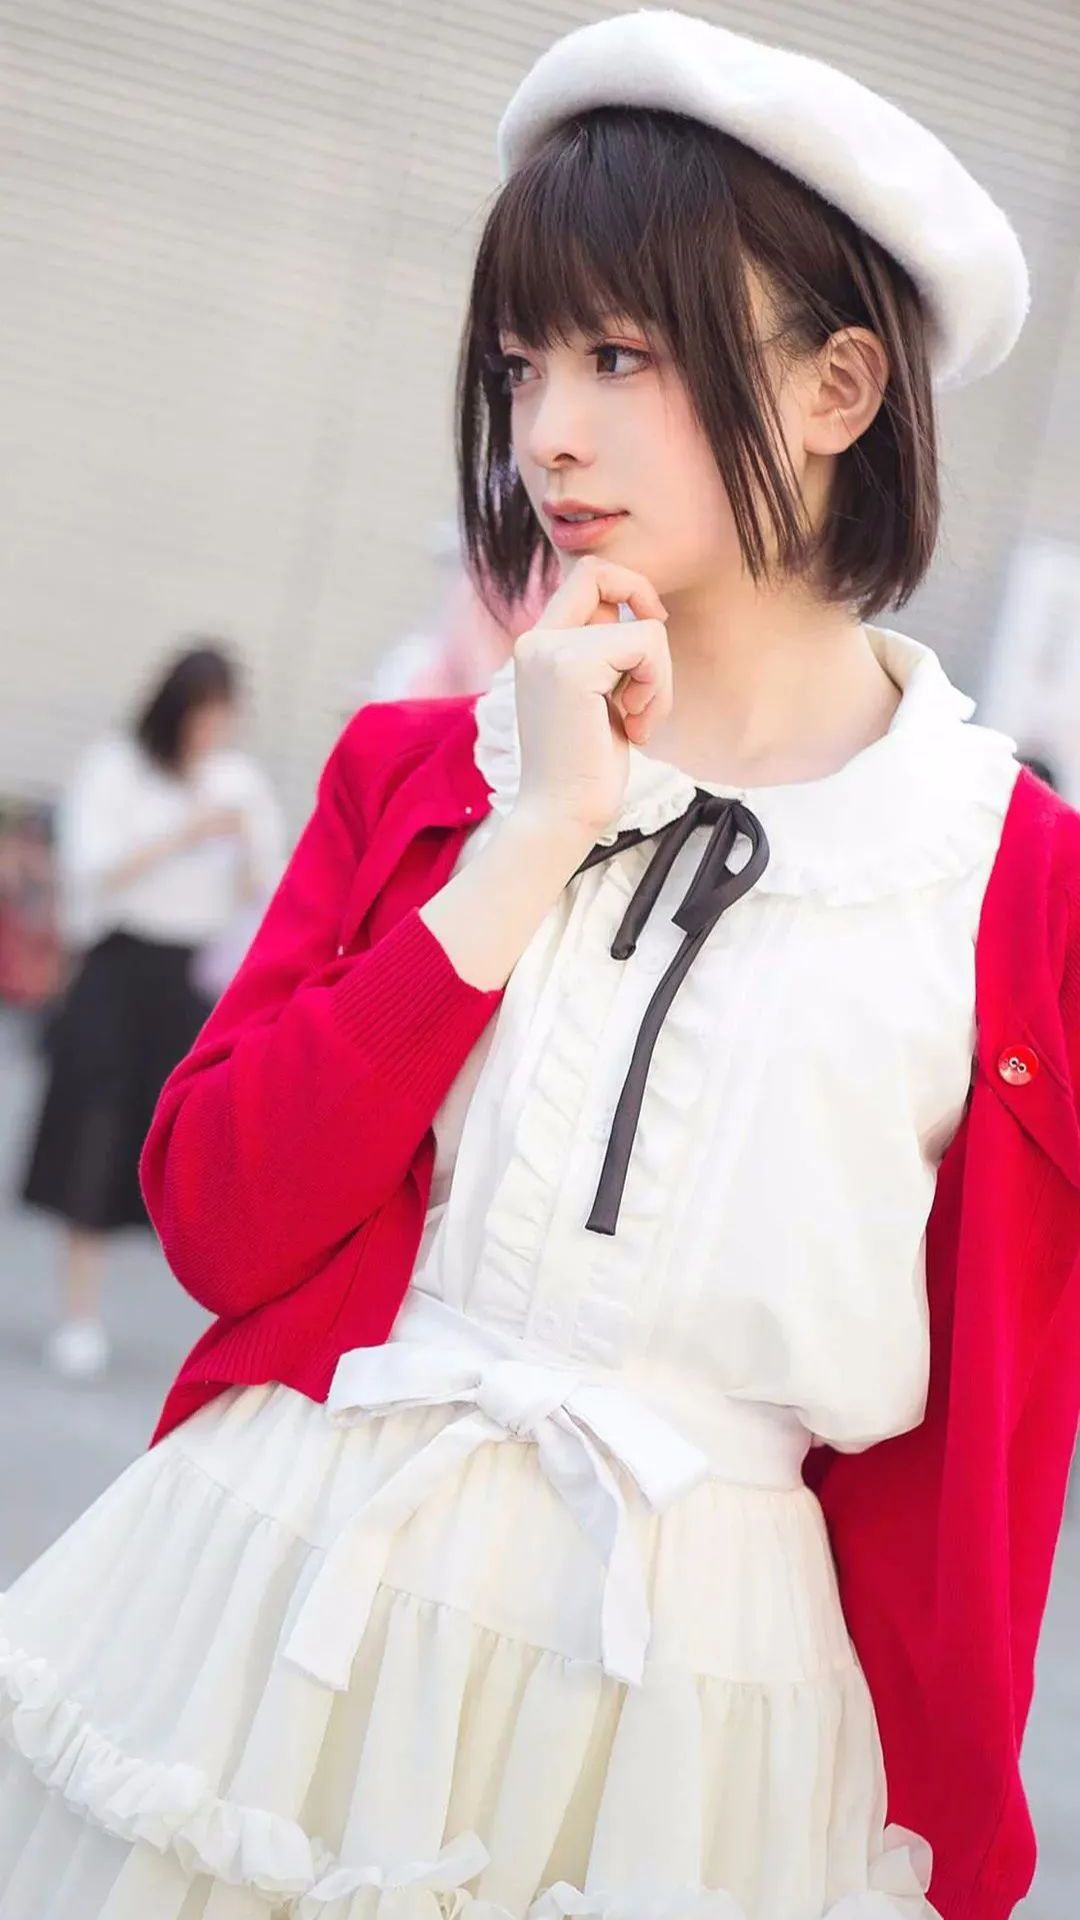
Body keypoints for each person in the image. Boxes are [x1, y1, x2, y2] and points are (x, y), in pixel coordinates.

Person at [0, 14, 1077, 1920]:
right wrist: (532, 839)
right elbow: (220, 1218)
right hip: (281, 1621)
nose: (547, 432)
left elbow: (986, 1456)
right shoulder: (428, 774)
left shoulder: (1011, 886)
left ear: (839, 388)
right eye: (520, 367)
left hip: (696, 1726)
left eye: (621, 356)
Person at [18, 641, 284, 1380]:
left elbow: (263, 891)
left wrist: (241, 849)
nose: (213, 730)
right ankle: (79, 1311)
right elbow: (89, 872)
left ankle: (218, 1321)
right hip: (117, 965)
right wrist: (185, 834)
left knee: (189, 1145)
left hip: (191, 978)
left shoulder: (239, 782)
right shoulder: (117, 768)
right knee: (95, 1132)